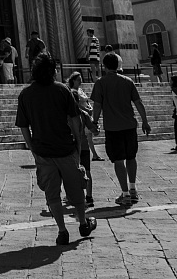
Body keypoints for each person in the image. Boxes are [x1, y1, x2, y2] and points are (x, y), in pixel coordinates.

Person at [16, 53, 97, 245]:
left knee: (52, 194)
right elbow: (75, 120)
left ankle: (62, 231)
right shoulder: (62, 90)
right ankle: (83, 223)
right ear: (53, 71)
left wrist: (32, 147)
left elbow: (23, 126)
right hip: (65, 149)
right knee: (76, 188)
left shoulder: (26, 94)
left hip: (43, 152)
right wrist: (77, 143)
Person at [91, 51, 151, 207]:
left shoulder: (100, 83)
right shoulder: (128, 81)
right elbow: (138, 103)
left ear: (104, 66)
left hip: (113, 128)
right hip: (130, 125)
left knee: (118, 160)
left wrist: (94, 122)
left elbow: (97, 105)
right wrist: (145, 121)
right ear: (118, 65)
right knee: (131, 157)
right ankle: (133, 190)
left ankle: (125, 194)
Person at [68, 72, 96, 206]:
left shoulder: (65, 115)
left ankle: (76, 197)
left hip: (71, 147)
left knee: (72, 173)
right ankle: (89, 197)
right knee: (87, 171)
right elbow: (94, 130)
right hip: (83, 145)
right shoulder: (83, 114)